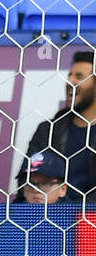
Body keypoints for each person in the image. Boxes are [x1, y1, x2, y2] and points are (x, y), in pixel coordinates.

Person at [14, 50, 95, 203]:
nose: (70, 81)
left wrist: (68, 210)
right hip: (46, 217)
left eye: (79, 77)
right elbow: (25, 180)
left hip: (89, 220)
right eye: (70, 75)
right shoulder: (47, 130)